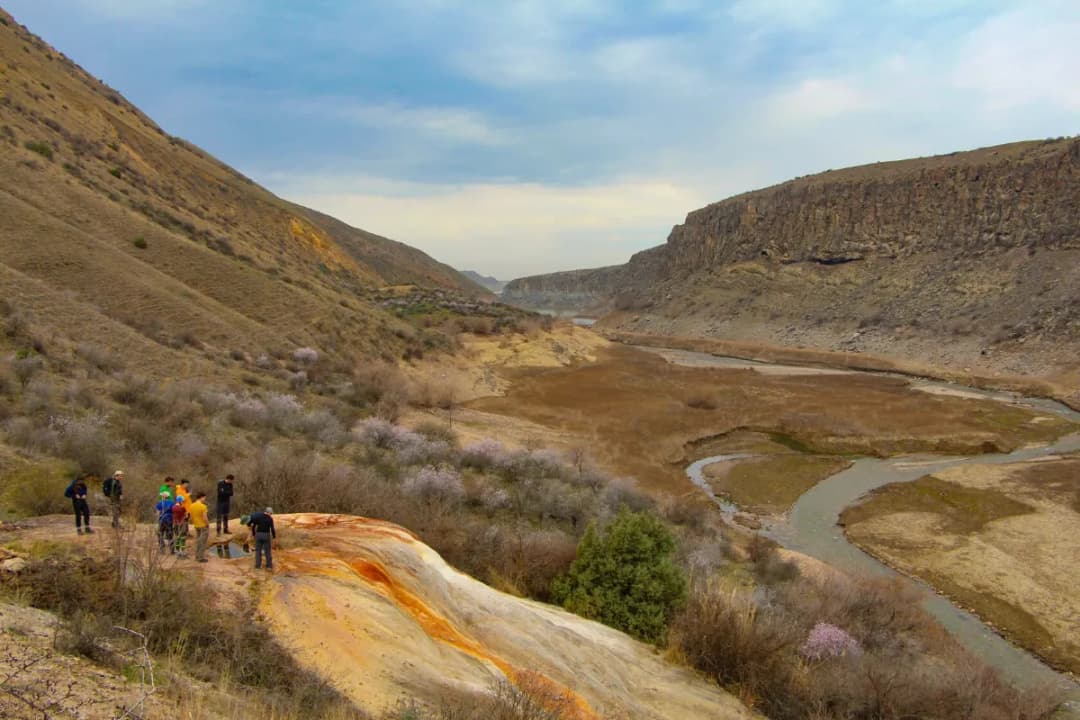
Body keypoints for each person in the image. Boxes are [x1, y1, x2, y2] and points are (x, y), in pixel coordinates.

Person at [189, 492, 210, 563]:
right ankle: (200, 557)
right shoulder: (203, 506)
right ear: (201, 497)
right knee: (203, 542)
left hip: (196, 525)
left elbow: (191, 517)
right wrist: (207, 524)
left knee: (199, 540)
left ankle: (197, 556)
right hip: (203, 526)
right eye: (204, 498)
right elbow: (205, 517)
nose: (204, 499)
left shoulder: (191, 505)